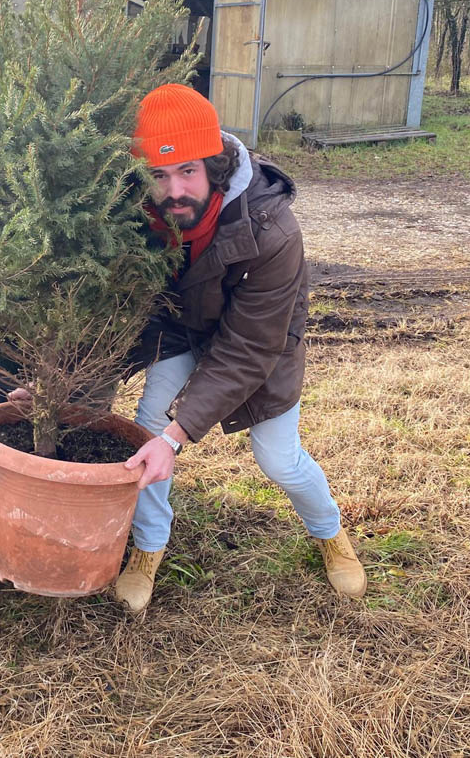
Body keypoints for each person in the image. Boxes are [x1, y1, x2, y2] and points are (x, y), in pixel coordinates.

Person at [112, 82, 366, 611]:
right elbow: (123, 306)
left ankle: (330, 534)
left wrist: (180, 435)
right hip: (185, 329)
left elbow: (249, 347)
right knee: (147, 431)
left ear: (215, 164)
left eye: (187, 171)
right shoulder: (143, 214)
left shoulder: (273, 232)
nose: (174, 190)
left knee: (279, 459)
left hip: (261, 343)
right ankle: (148, 547)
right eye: (159, 175)